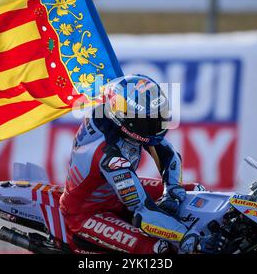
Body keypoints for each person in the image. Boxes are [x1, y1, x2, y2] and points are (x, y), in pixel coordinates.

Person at [59, 74, 223, 253]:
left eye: (158, 117)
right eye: (148, 122)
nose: (156, 126)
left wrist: (172, 190)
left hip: (114, 195)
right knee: (159, 249)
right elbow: (143, 213)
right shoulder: (108, 154)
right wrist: (189, 237)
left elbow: (169, 155)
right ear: (125, 118)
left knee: (195, 192)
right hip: (87, 214)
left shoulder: (124, 122)